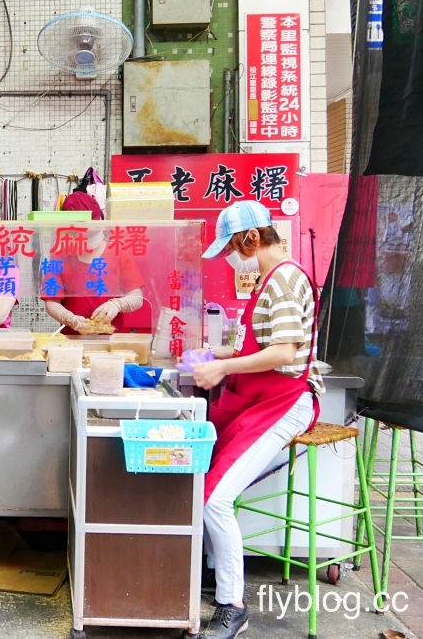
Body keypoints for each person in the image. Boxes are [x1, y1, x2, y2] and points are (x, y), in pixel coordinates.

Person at [186, 201, 324, 639]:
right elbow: (259, 348)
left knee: (214, 498)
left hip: (283, 403)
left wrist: (222, 369)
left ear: (250, 237)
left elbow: (284, 353)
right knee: (207, 488)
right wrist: (218, 354)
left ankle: (233, 605)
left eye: (230, 245)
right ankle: (219, 577)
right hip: (261, 399)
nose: (230, 255)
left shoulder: (283, 279)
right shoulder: (269, 280)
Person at [42, 226, 147, 335]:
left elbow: (136, 297)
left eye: (90, 232)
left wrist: (117, 305)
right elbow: (52, 301)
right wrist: (69, 318)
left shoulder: (118, 254)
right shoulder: (59, 259)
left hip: (112, 340)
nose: (85, 235)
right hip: (72, 340)